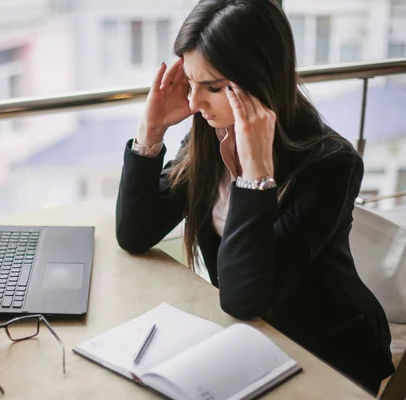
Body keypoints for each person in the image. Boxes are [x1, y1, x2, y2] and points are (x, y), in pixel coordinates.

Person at [115, 0, 395, 394]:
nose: (195, 103)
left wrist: (255, 174)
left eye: (212, 87)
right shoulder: (211, 133)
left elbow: (245, 297)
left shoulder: (332, 164)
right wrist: (151, 129)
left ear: (261, 80)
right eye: (190, 83)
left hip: (326, 352)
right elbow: (135, 232)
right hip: (251, 339)